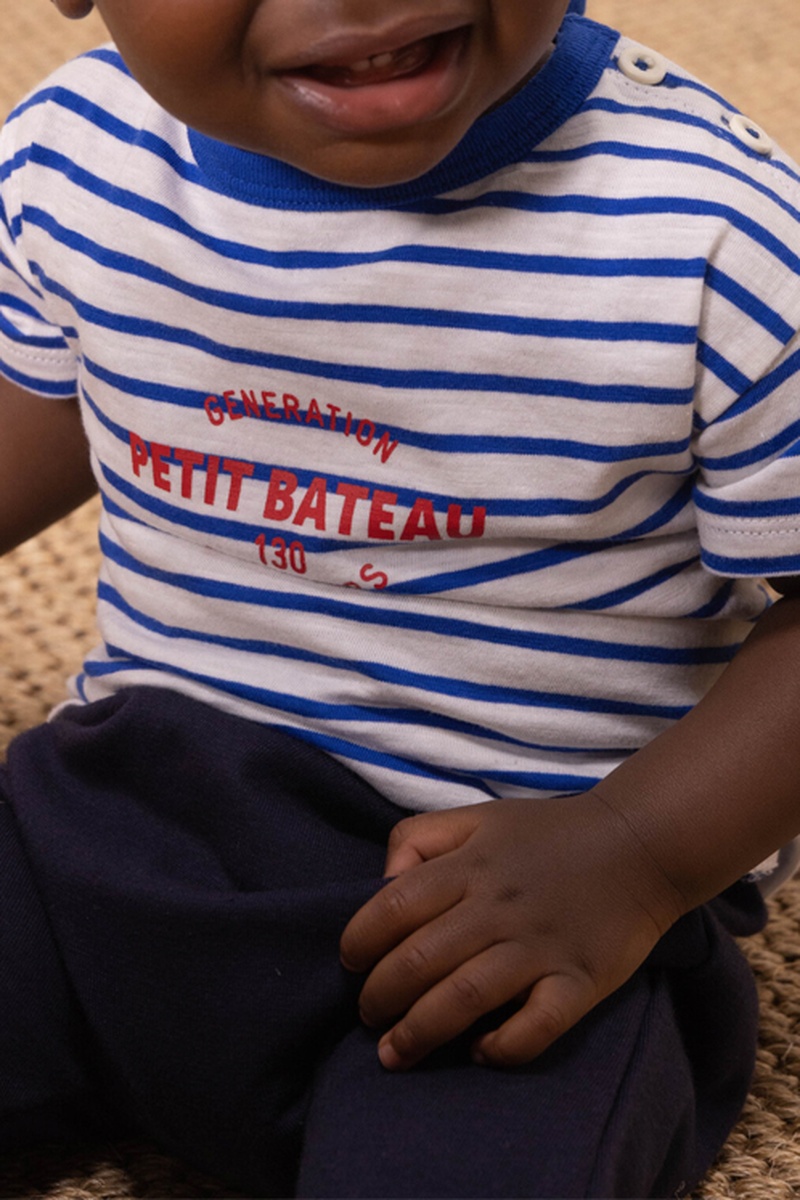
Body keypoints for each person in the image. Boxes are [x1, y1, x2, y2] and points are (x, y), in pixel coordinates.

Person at [0, 0, 799, 1195]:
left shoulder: (716, 235)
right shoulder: (73, 153)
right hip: (116, 825)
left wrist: (637, 855)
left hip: (508, 906)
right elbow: (51, 401)